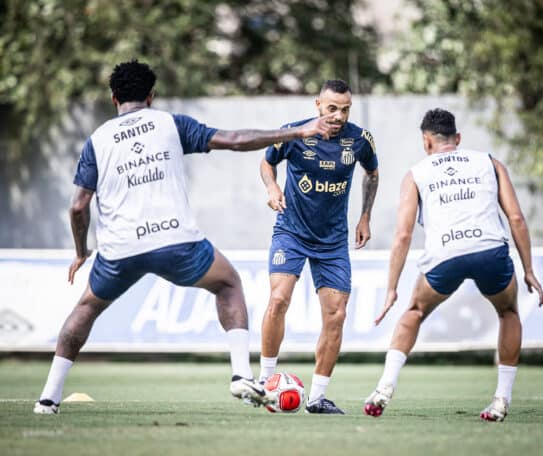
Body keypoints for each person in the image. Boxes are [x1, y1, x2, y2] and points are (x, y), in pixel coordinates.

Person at [33, 59, 336, 415]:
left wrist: (81, 251)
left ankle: (48, 398)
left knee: (85, 309)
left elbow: (78, 206)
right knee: (228, 284)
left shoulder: (97, 140)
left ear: (114, 98)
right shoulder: (170, 124)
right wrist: (297, 132)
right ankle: (241, 375)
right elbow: (236, 140)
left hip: (121, 247)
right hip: (175, 241)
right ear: (151, 96)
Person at [363, 108, 543, 421]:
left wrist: (391, 288)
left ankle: (384, 389)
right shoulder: (490, 162)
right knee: (508, 312)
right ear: (457, 138)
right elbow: (516, 218)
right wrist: (528, 270)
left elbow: (403, 234)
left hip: (445, 254)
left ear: (426, 142)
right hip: (490, 250)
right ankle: (501, 400)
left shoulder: (415, 174)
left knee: (414, 311)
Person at [259, 80, 379, 414]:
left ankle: (317, 397)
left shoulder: (360, 140)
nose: (338, 115)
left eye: (345, 109)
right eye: (332, 108)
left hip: (333, 241)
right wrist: (272, 188)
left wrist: (365, 216)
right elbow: (267, 162)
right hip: (291, 232)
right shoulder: (294, 133)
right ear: (318, 105)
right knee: (279, 299)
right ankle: (264, 383)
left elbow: (372, 173)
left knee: (336, 314)